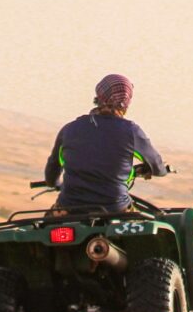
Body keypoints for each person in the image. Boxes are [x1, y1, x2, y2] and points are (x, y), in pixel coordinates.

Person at [43, 73, 168, 212]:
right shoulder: (131, 132)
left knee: (45, 227)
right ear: (127, 102)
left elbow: (52, 170)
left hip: (70, 207)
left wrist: (54, 183)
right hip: (115, 209)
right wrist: (154, 169)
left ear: (99, 96)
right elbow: (157, 167)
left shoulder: (69, 130)